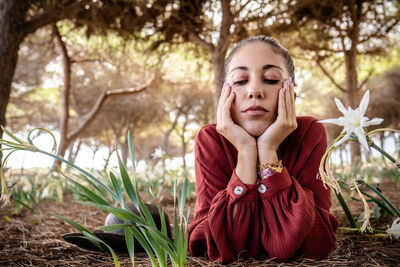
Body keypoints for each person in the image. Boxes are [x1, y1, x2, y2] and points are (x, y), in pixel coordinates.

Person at [188, 36, 339, 263]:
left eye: (270, 79)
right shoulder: (211, 141)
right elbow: (209, 242)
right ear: (225, 97)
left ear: (291, 95)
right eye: (240, 81)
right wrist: (246, 151)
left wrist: (268, 150)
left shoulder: (309, 133)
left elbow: (317, 242)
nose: (255, 90)